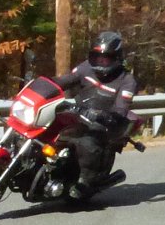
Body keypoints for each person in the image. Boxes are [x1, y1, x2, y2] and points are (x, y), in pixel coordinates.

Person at [52, 31, 144, 198]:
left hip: (104, 123)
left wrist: (101, 116)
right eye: (96, 57)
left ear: (116, 58)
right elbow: (64, 81)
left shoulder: (126, 81)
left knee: (87, 142)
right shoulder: (86, 67)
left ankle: (84, 181)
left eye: (105, 58)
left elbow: (121, 110)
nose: (100, 61)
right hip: (78, 115)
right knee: (48, 126)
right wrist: (45, 84)